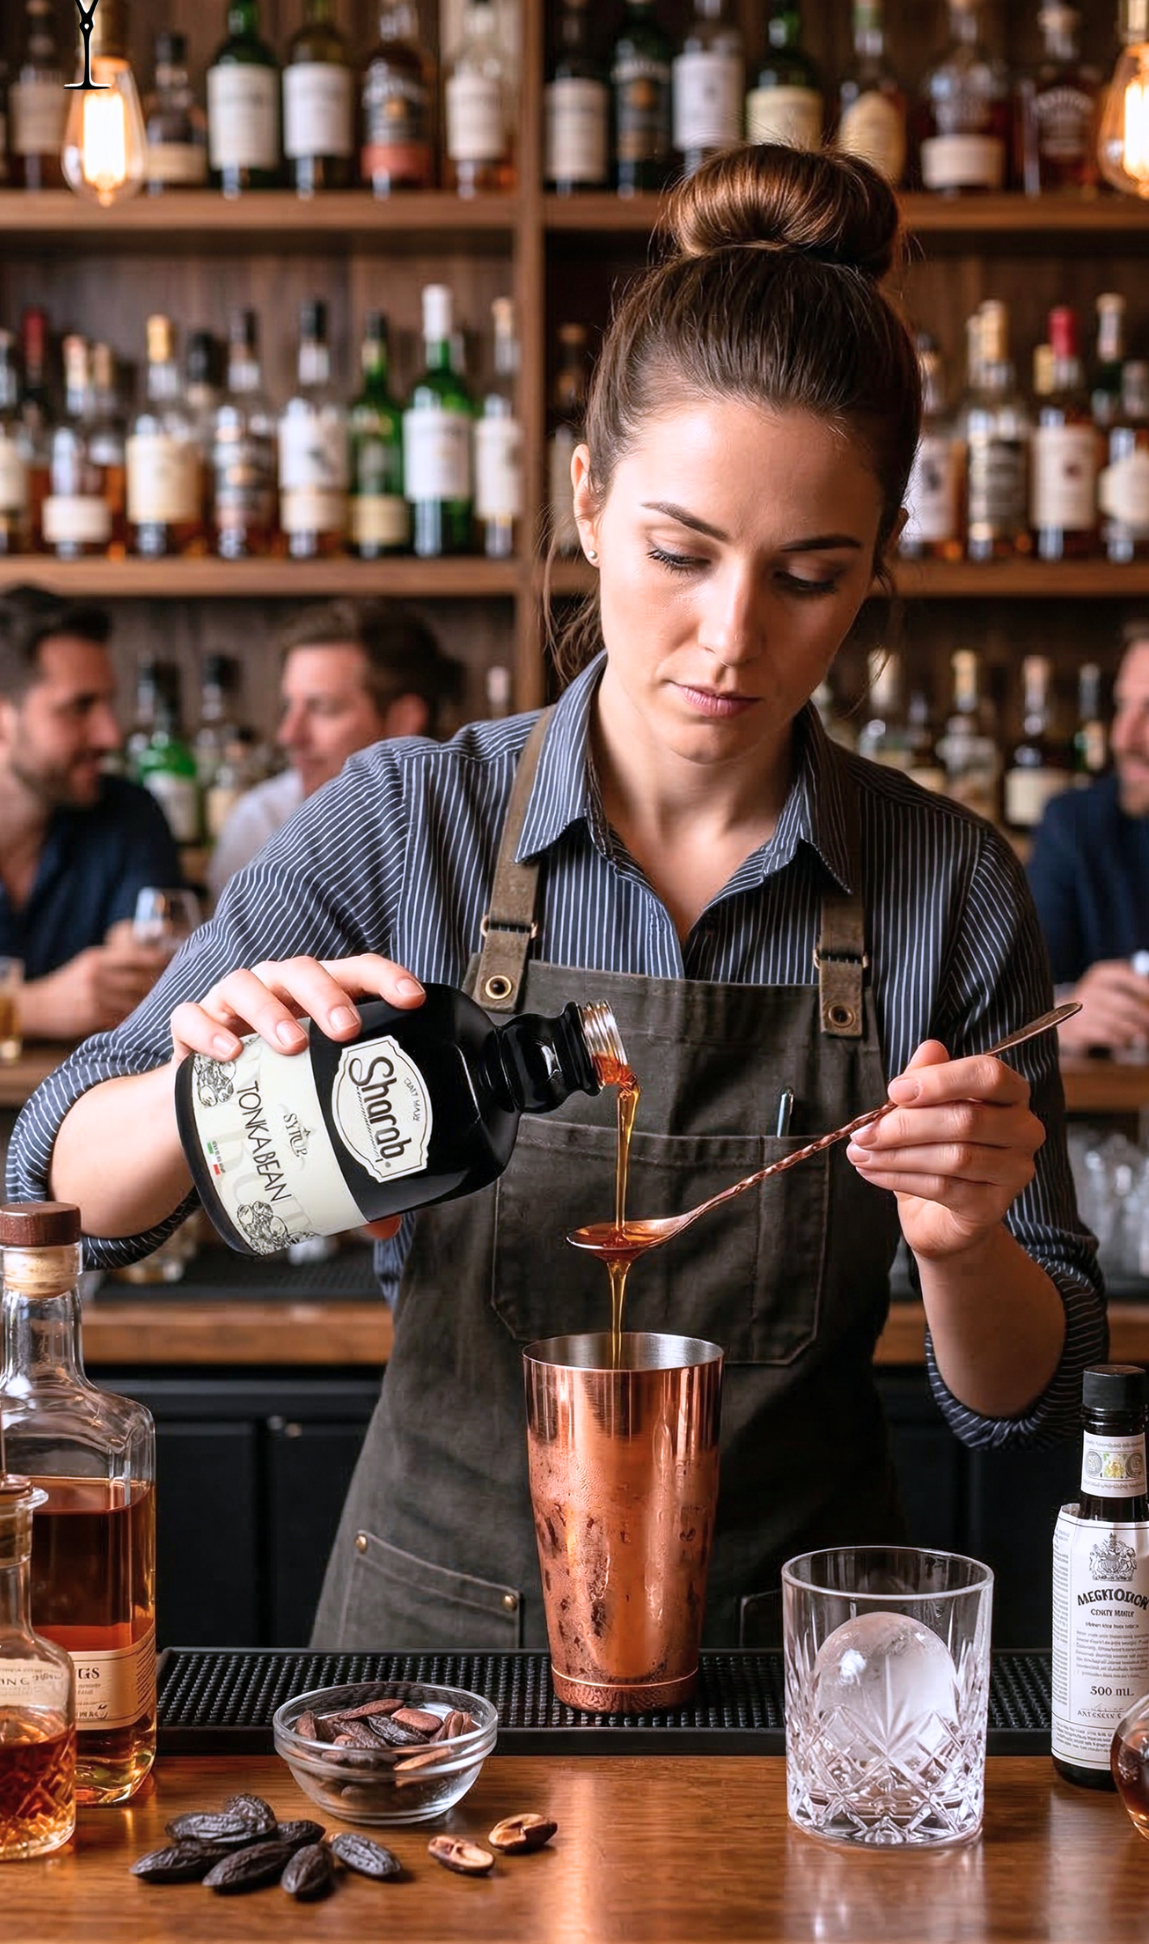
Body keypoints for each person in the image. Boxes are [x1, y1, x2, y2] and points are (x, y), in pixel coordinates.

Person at [10, 147, 1104, 1650]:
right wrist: (205, 1083)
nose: (729, 637)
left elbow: (1024, 1401)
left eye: (807, 575)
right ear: (587, 502)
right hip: (437, 1669)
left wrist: (967, 1239)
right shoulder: (413, 823)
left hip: (788, 1674)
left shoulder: (947, 883)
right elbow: (45, 1185)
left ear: (871, 579)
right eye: (679, 552)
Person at [0, 587, 178, 1041]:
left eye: (108, 703)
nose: (111, 734)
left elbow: (147, 985)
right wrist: (33, 1008)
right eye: (80, 707)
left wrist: (134, 977)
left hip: (93, 1109)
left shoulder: (129, 814)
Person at [207, 600, 464, 901]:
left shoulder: (472, 822)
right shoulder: (262, 820)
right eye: (289, 706)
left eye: (322, 708)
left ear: (403, 719)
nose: (289, 734)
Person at [1028, 629, 1149, 1054]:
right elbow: (1018, 1004)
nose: (1124, 738)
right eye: (1122, 706)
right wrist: (1067, 1013)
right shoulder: (1075, 824)